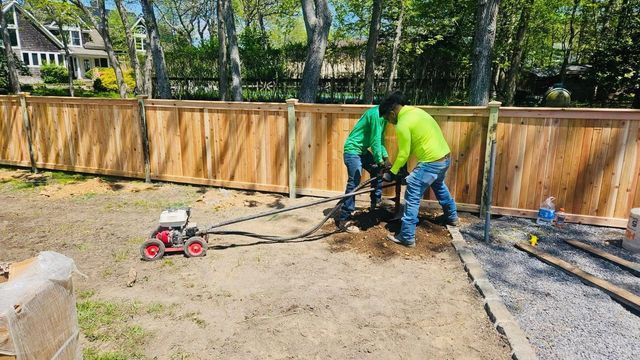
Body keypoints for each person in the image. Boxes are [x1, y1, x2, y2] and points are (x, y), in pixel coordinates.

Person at [379, 91, 459, 248]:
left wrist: (391, 172)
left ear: (392, 112)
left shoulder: (402, 123)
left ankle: (407, 236)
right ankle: (452, 217)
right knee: (439, 186)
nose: (389, 122)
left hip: (430, 162)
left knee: (412, 195)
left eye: (388, 119)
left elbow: (404, 153)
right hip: (445, 158)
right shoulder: (418, 112)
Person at [336, 105, 391, 231]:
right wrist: (380, 161)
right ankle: (344, 219)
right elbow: (375, 140)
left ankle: (375, 206)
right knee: (354, 182)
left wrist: (386, 158)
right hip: (352, 151)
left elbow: (381, 139)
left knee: (377, 172)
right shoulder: (375, 114)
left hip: (363, 151)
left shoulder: (384, 117)